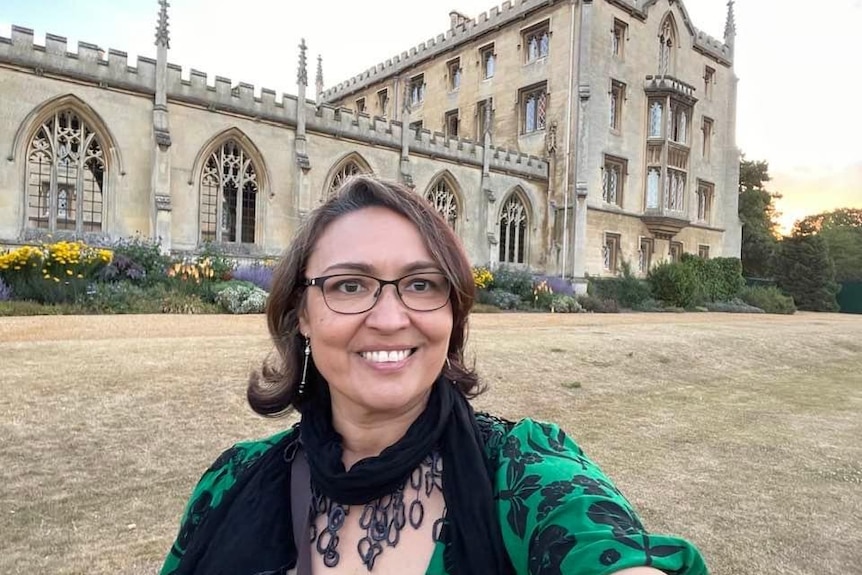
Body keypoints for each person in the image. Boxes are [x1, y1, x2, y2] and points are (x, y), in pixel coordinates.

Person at [160, 175, 708, 575]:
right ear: (301, 313)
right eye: (350, 285)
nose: (391, 319)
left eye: (422, 284)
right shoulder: (231, 484)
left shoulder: (523, 473)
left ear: (454, 312)